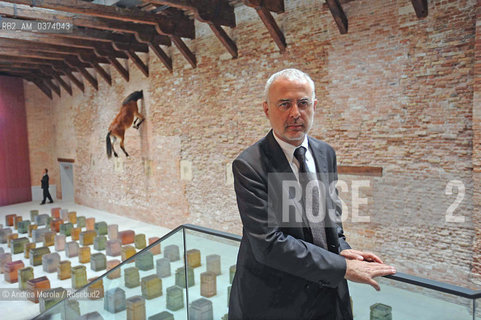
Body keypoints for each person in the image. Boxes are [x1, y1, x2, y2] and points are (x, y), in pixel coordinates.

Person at [228, 69, 396, 320]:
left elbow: (331, 218)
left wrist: (342, 249)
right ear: (266, 110)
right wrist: (344, 268)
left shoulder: (325, 152)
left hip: (325, 296)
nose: (295, 113)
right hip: (274, 300)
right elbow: (269, 244)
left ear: (314, 105)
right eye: (284, 104)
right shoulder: (250, 165)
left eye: (303, 103)